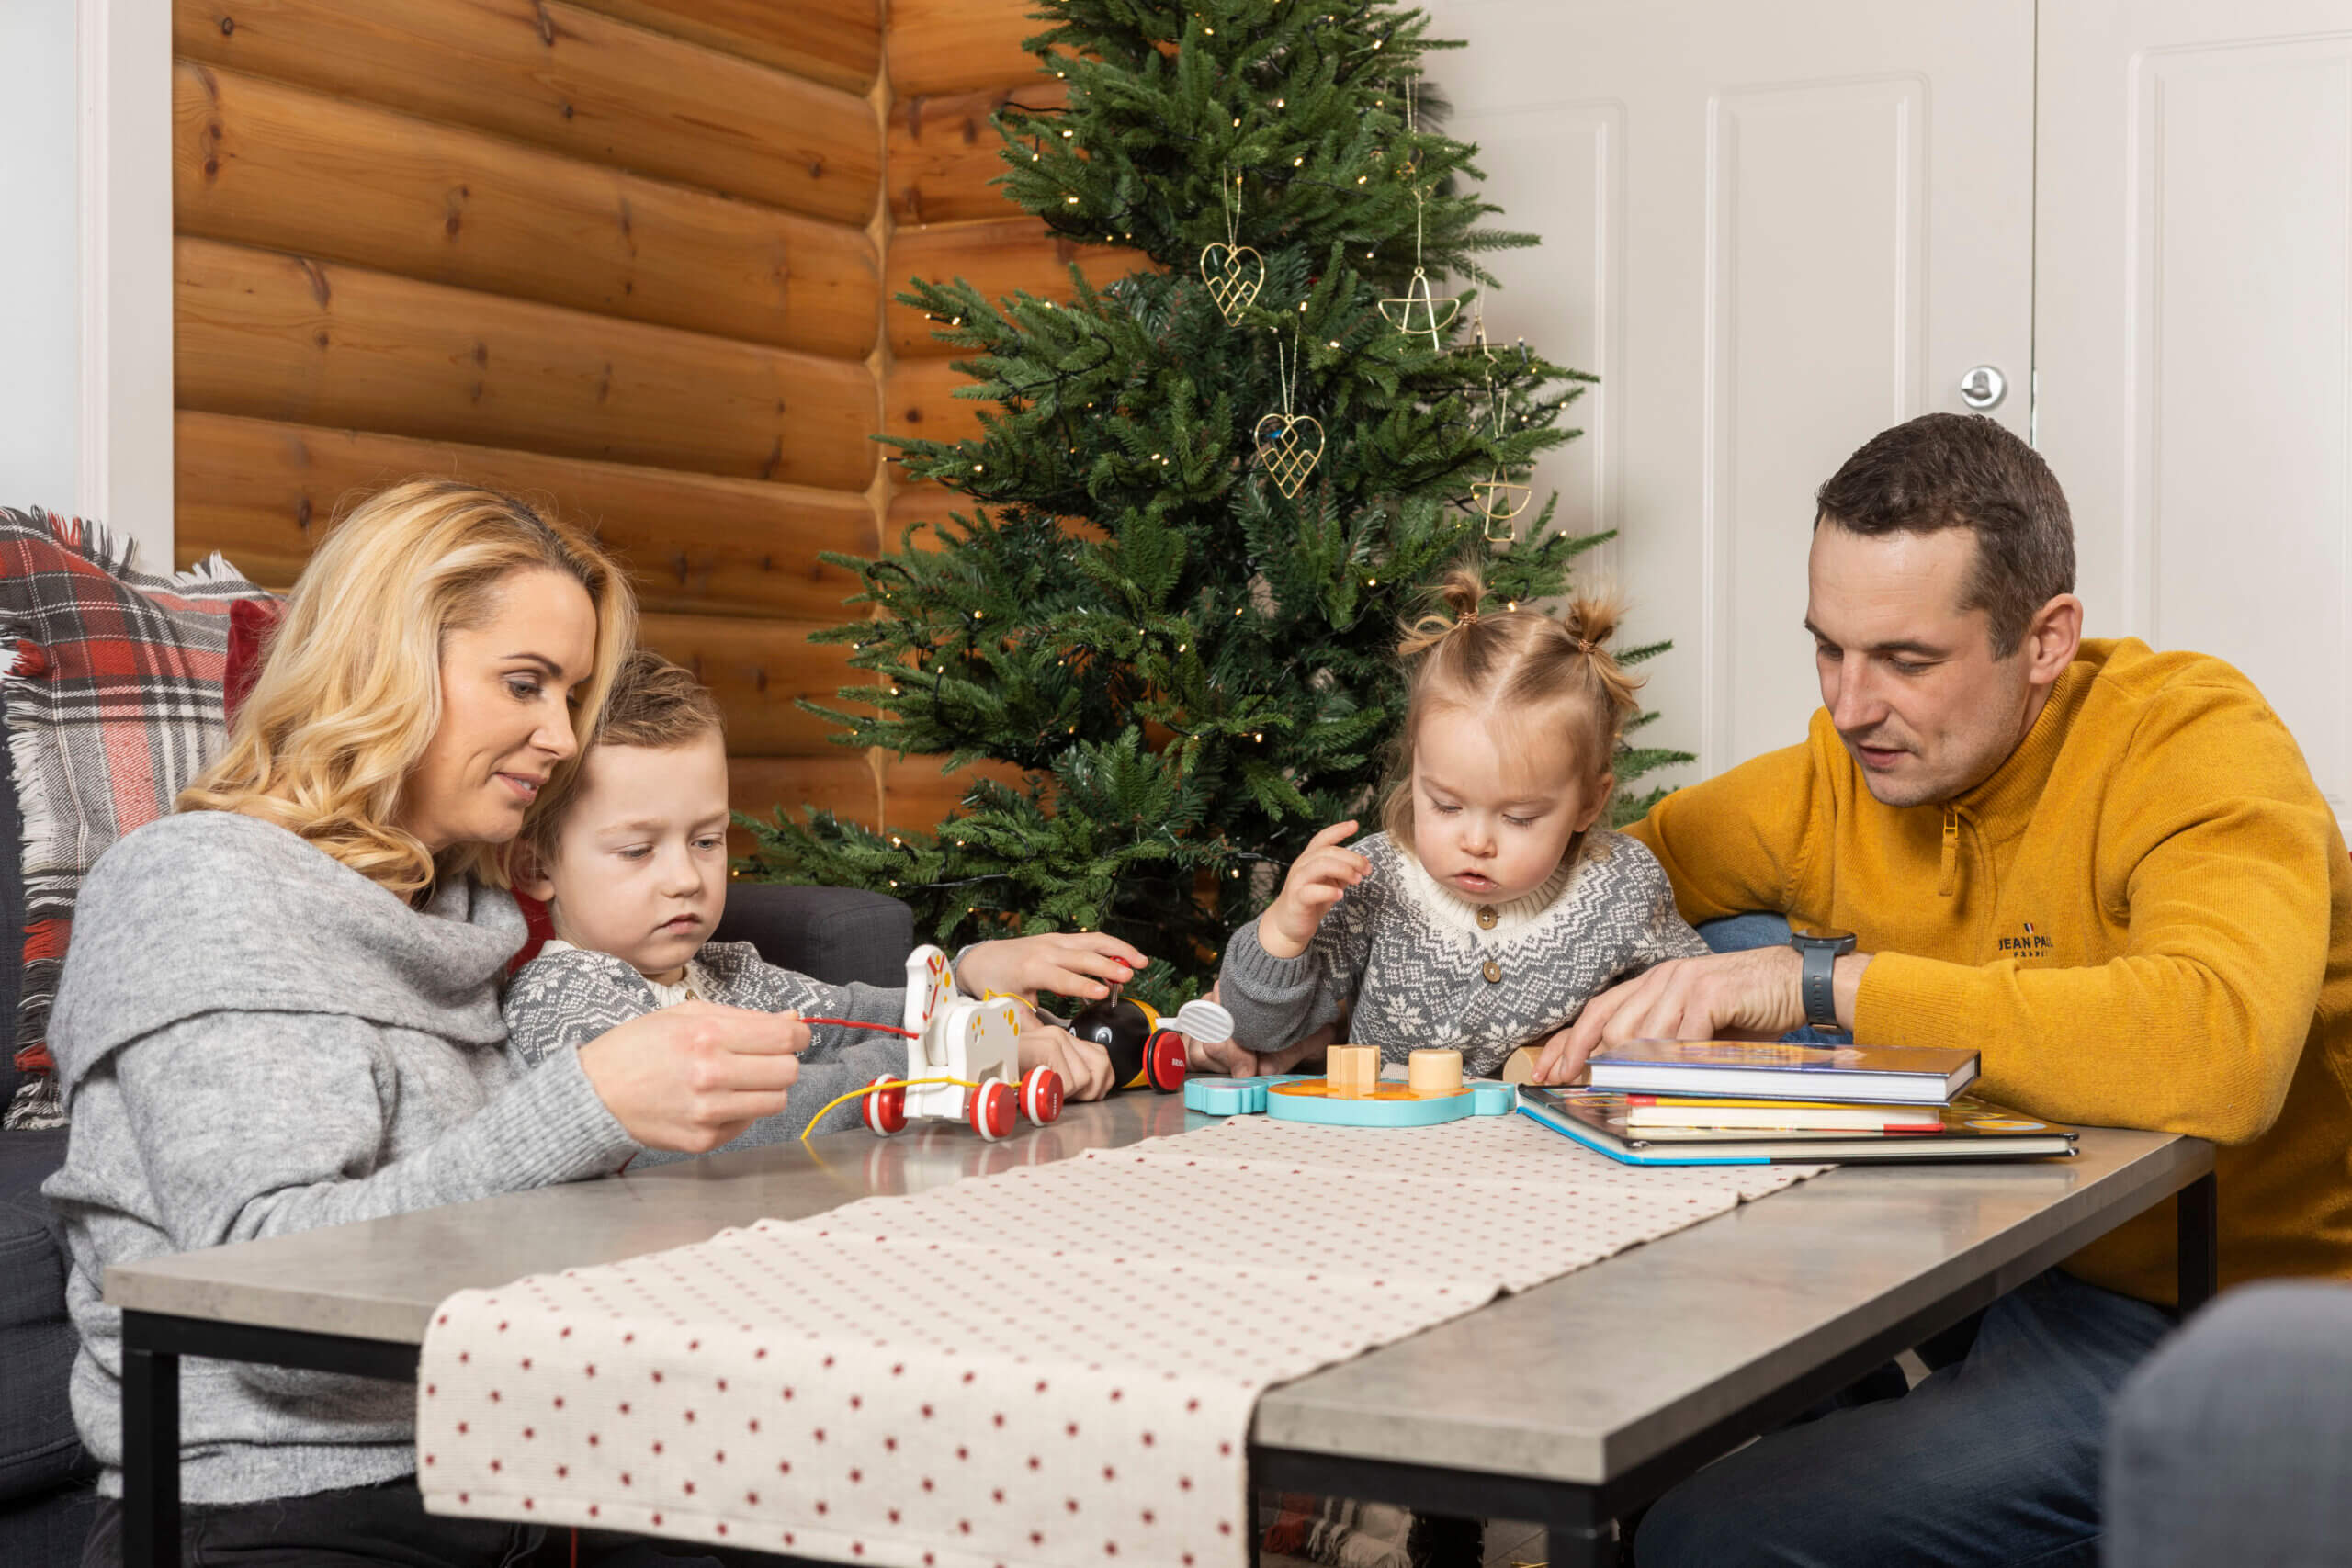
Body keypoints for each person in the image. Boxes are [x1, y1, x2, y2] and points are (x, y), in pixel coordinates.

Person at [1525, 414, 2352, 1568]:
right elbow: (1562, 890)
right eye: (1828, 648)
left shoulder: (2189, 739)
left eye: (1906, 661)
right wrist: (1284, 982)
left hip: (2243, 1326)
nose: (1850, 705)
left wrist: (1826, 984)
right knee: (1712, 944)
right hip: (2022, 1266)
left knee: (1708, 1536)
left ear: (2046, 638)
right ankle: (1862, 1404)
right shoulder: (1840, 771)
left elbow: (2222, 1053)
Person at [44, 480, 820, 1566]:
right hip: (282, 1508)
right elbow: (275, 1320)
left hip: (524, 1467)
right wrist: (585, 1107)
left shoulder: (464, 912)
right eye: (524, 683)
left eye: (572, 693)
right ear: (384, 665)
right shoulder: (200, 887)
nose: (559, 736)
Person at [505, 648, 1234, 1145]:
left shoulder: (728, 973)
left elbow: (862, 1016)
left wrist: (978, 998)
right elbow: (736, 1122)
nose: (685, 878)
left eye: (707, 840)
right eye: (638, 850)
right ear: (538, 867)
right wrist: (937, 1073)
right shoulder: (564, 996)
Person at [1220, 565, 1707, 1084]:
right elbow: (1254, 1034)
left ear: (1590, 801)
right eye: (1447, 806)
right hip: (1387, 1147)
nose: (1475, 842)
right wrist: (1284, 931)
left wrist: (1609, 1037)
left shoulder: (1621, 888)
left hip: (1550, 1156)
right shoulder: (1376, 878)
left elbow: (1698, 1011)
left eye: (1519, 818)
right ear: (1416, 770)